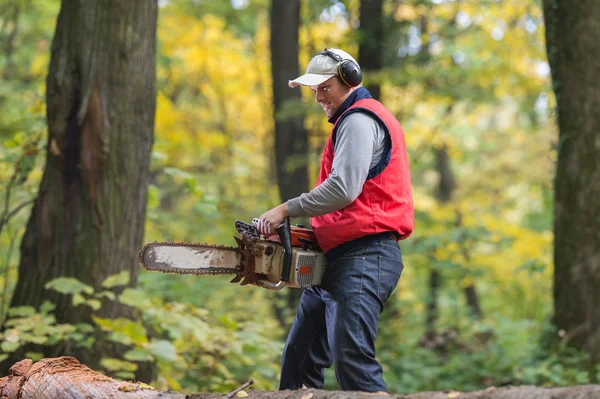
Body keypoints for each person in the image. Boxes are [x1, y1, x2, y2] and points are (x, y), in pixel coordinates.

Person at [257, 48, 414, 393]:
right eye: (314, 90)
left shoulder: (359, 120)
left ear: (349, 80)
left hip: (365, 257)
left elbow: (344, 188)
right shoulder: (349, 121)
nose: (318, 98)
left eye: (324, 88)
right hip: (336, 258)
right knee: (299, 359)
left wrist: (287, 208)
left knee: (351, 359)